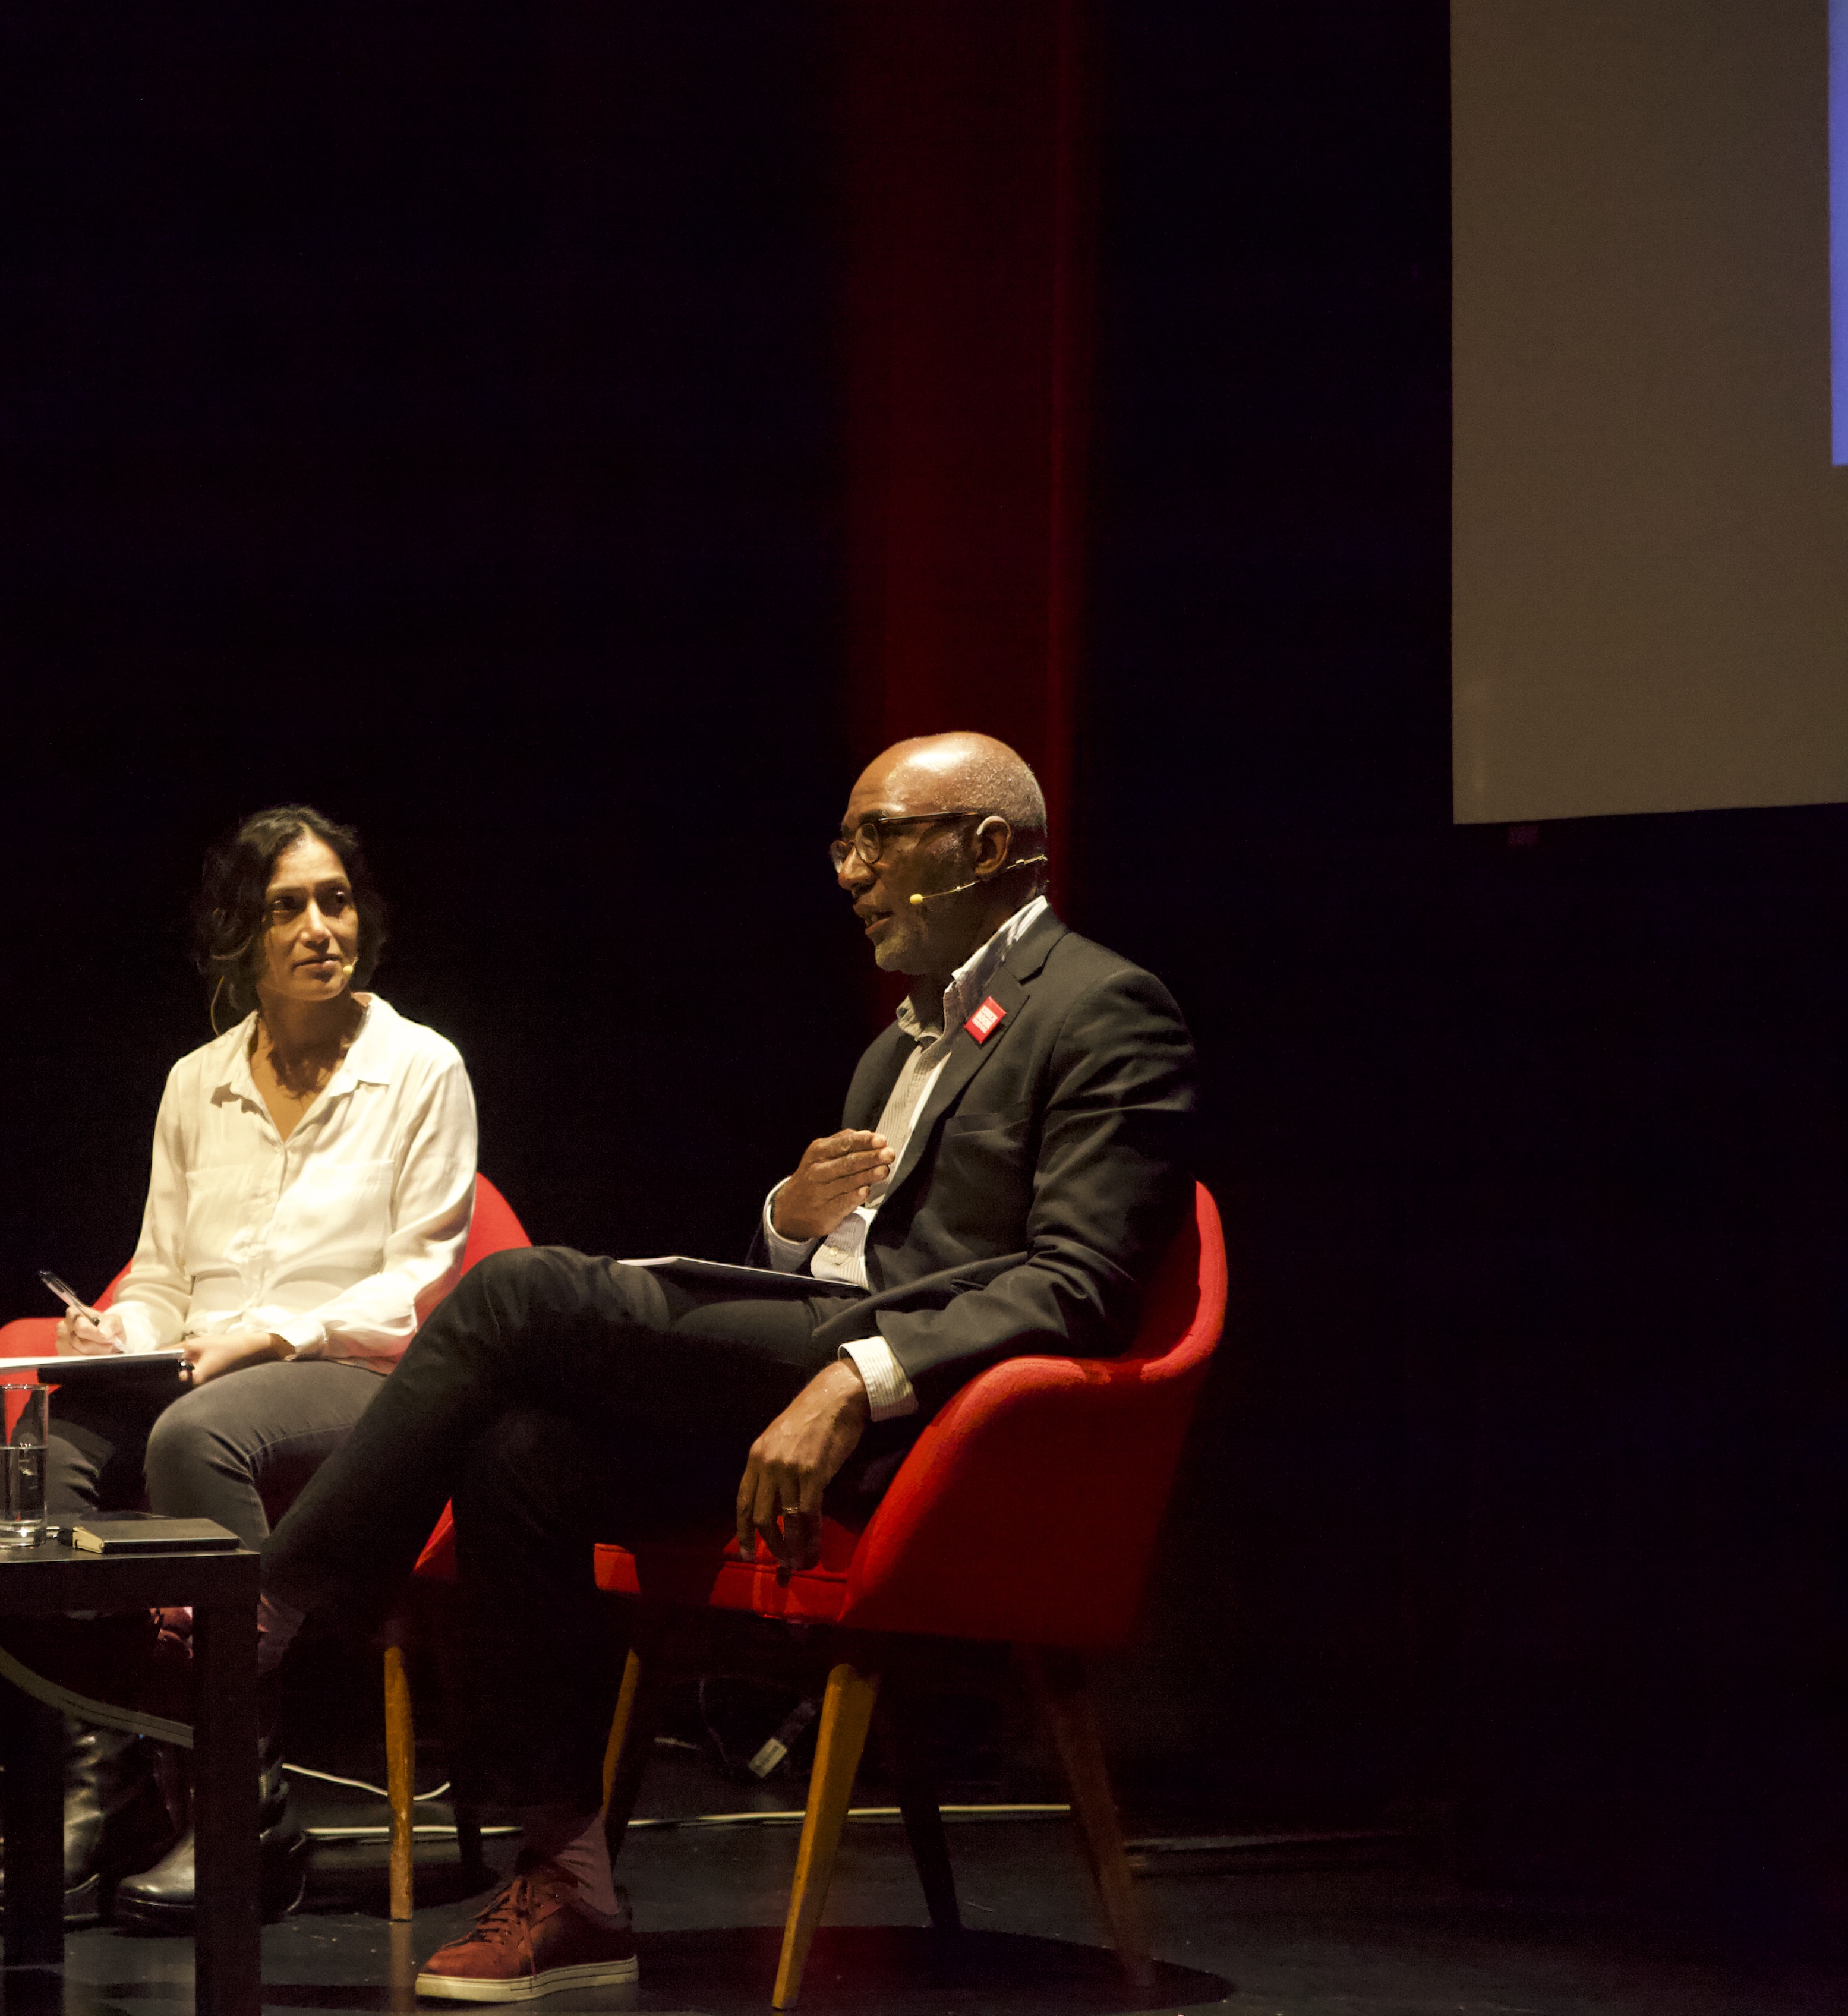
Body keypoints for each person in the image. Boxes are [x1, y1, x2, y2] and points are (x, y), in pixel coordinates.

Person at [256, 733, 1196, 2003]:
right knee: (519, 1451)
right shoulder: (896, 1045)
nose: (852, 870)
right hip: (825, 1361)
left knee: (519, 1290)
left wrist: (858, 1377)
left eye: (879, 837)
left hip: (940, 1436)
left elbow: (1079, 1284)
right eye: (845, 842)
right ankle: (572, 1884)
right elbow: (841, 1262)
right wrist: (790, 1226)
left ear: (983, 849)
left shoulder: (1103, 1008)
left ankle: (266, 1617)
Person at [0, 803, 480, 1932]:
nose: (319, 927)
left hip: (363, 1373)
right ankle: (98, 1780)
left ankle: (243, 1815)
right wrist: (121, 1325)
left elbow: (421, 1281)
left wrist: (275, 1335)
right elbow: (165, 1269)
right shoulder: (195, 1081)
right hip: (205, 1364)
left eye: (336, 900)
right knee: (42, 1440)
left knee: (194, 1435)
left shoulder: (421, 1068)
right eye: (287, 907)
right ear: (239, 936)